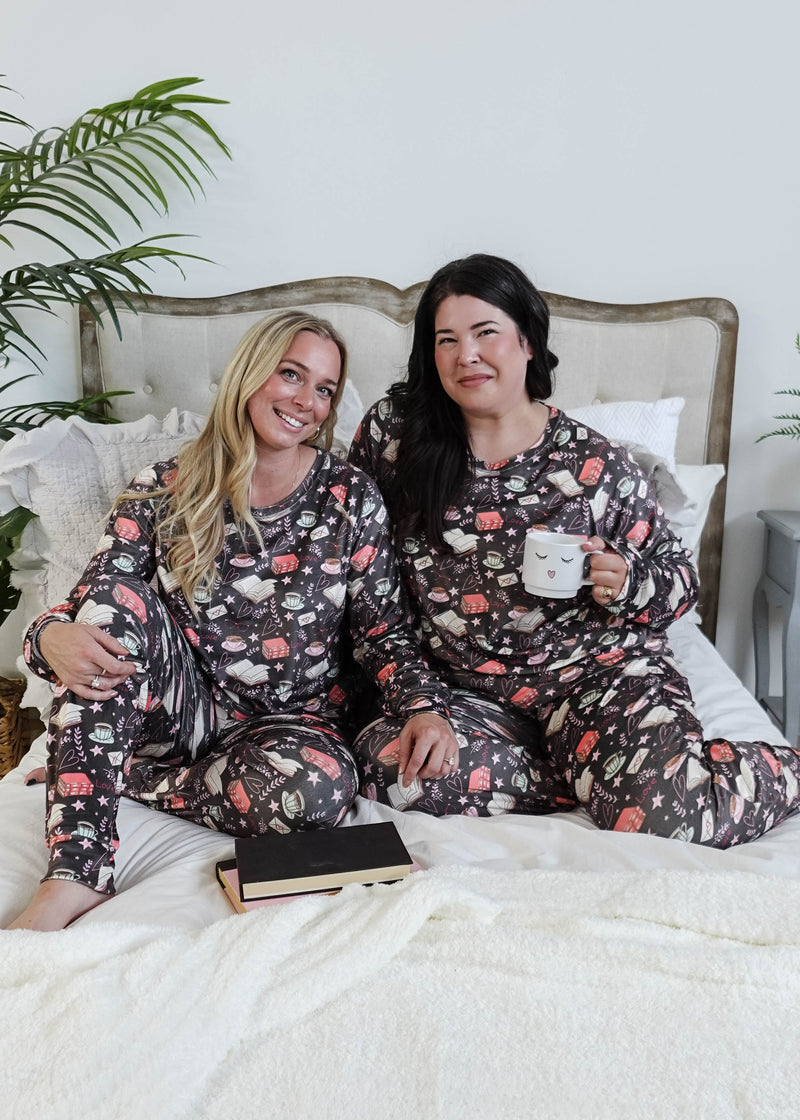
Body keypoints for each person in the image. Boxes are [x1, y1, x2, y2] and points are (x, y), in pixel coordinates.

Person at [10, 310, 457, 931]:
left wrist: (422, 705)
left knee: (319, 790)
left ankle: (122, 778)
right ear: (250, 374)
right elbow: (96, 603)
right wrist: (46, 636)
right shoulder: (161, 490)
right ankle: (76, 874)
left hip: (294, 728)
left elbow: (382, 631)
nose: (306, 401)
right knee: (115, 604)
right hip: (183, 714)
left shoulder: (349, 497)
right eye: (291, 375)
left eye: (324, 389)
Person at [349, 253, 800, 844]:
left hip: (596, 681)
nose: (466, 356)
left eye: (487, 333)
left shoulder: (593, 462)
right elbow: (363, 585)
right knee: (394, 770)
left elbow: (680, 586)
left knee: (665, 819)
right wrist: (419, 701)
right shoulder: (393, 437)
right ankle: (598, 773)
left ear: (528, 341)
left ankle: (762, 771)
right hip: (466, 694)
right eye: (446, 340)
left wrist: (626, 580)